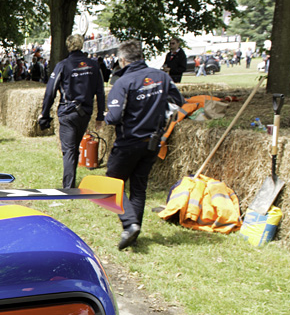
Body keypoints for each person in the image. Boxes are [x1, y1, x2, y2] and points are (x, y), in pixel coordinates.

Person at [104, 39, 184, 250]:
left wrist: (105, 117)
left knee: (112, 183)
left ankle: (130, 224)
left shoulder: (123, 82)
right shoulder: (161, 77)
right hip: (153, 141)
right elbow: (178, 103)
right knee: (138, 187)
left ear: (123, 60)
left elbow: (113, 116)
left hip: (129, 140)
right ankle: (134, 233)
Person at [38, 33, 106, 188]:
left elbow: (50, 90)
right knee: (74, 147)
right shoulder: (93, 65)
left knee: (69, 150)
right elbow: (100, 92)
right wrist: (100, 116)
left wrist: (44, 113)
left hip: (68, 112)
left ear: (68, 46)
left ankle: (68, 187)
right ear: (81, 45)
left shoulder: (63, 65)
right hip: (85, 113)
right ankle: (71, 181)